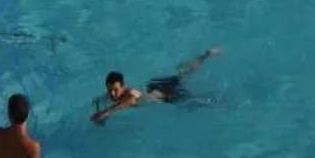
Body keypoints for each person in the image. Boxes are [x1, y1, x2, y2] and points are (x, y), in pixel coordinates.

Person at [91, 50, 220, 124]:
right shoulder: (113, 94)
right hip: (155, 86)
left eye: (115, 90)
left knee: (192, 101)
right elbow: (102, 99)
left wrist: (106, 112)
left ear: (123, 86)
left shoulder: (129, 94)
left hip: (166, 95)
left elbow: (128, 102)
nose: (112, 93)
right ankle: (206, 55)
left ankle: (219, 100)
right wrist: (98, 106)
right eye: (109, 89)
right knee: (183, 73)